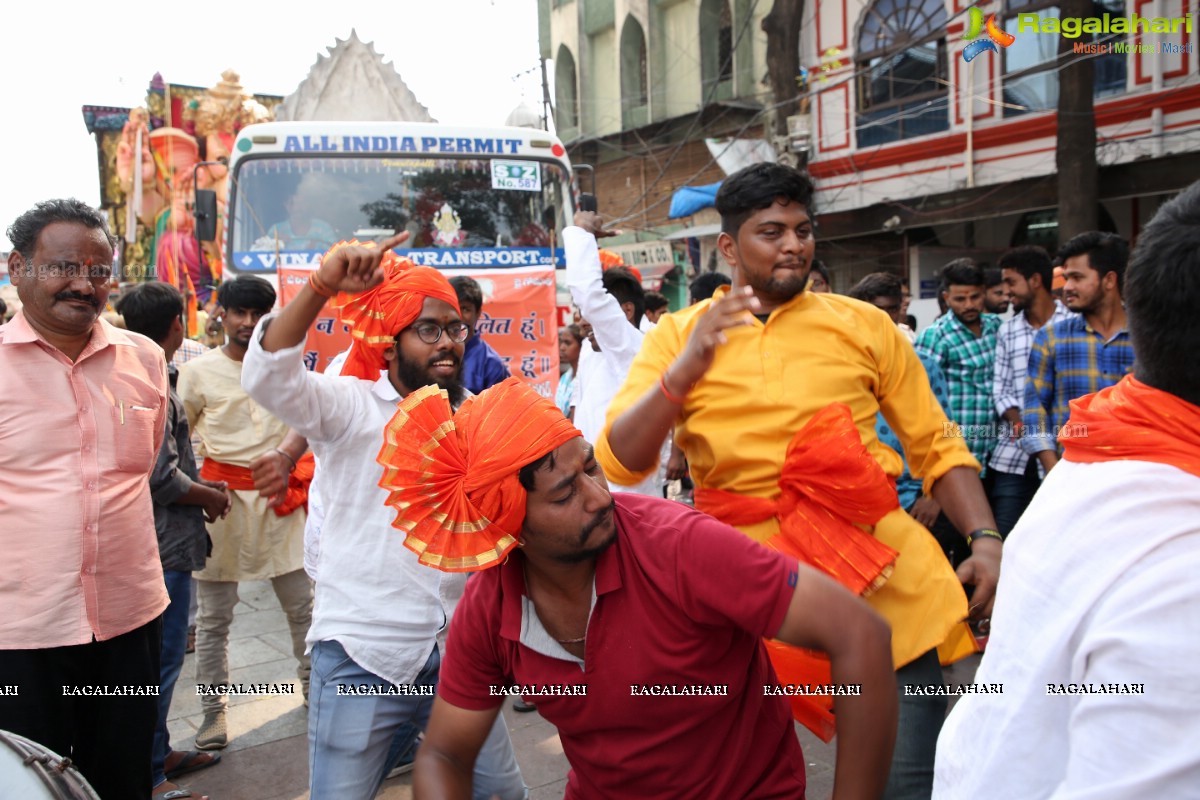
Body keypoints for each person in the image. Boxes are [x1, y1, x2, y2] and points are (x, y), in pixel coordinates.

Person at [597, 162, 1000, 799]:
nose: (793, 244)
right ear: (728, 246)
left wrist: (985, 538)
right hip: (743, 594)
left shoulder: (864, 325)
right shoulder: (678, 333)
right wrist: (685, 371)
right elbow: (622, 461)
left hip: (887, 581)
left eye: (803, 230)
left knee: (905, 783)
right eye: (771, 231)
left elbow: (936, 439)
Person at [369, 378, 899, 799]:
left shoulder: (681, 547)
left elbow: (861, 634)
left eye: (592, 468)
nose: (600, 498)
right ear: (510, 525)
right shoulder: (490, 609)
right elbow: (444, 756)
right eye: (564, 494)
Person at [933, 181, 1200, 799]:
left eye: (1074, 276)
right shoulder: (1182, 571)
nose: (1062, 286)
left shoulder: (1107, 452)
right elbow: (1019, 403)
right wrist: (1042, 458)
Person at [241, 235, 526, 800]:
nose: (447, 342)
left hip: (461, 655)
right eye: (428, 330)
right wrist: (320, 288)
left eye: (454, 328)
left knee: (503, 795)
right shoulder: (348, 407)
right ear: (389, 346)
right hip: (361, 656)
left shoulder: (478, 417)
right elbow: (268, 377)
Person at [0, 198, 169, 800]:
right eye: (64, 266)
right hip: (23, 637)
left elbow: (141, 468)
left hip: (129, 622)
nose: (84, 284)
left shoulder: (145, 359)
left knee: (124, 773)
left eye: (100, 271)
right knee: (32, 781)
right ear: (18, 268)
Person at [178, 276, 313, 751]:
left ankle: (316, 696)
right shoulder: (197, 373)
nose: (248, 324)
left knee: (305, 609)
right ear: (223, 314)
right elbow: (176, 439)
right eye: (239, 313)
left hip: (282, 503)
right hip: (222, 508)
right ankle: (213, 715)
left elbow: (309, 427)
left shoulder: (288, 367)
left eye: (258, 315)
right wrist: (191, 493)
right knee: (214, 621)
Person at [115, 282, 231, 799]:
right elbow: (161, 475)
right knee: (159, 662)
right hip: (162, 545)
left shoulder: (132, 371)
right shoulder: (149, 378)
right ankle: (150, 775)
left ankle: (157, 752)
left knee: (159, 659)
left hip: (155, 541)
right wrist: (207, 496)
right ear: (177, 326)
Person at [848, 273, 964, 568]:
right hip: (858, 505)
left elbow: (947, 432)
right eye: (873, 309)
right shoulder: (838, 367)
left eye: (889, 309)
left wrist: (932, 496)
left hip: (916, 503)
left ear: (900, 310)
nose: (882, 318)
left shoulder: (924, 365)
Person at [566, 212, 664, 498]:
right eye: (580, 314)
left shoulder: (633, 348)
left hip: (628, 494)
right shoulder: (588, 348)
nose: (582, 322)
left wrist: (582, 232)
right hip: (590, 488)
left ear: (625, 312)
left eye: (589, 315)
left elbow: (590, 295)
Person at [1022, 231, 1134, 476]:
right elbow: (1034, 411)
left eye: (1077, 277)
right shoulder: (1051, 339)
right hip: (1070, 475)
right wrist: (1055, 475)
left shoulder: (1147, 338)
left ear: (1109, 280)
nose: (1067, 287)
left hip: (1136, 476)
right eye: (1066, 277)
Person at [988, 246, 1073, 535]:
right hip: (1014, 457)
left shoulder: (1072, 325)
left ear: (1035, 280)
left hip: (1065, 455)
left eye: (1011, 282)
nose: (1006, 292)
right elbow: (1001, 390)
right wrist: (1024, 428)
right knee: (1005, 539)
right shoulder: (1007, 331)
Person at [915, 259, 1002, 473]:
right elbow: (920, 399)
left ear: (984, 292)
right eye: (960, 299)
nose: (969, 305)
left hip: (996, 451)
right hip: (956, 455)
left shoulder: (997, 328)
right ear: (946, 298)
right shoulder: (936, 336)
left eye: (975, 297)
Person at [449, 275, 511, 394]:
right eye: (453, 307)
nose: (458, 316)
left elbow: (499, 410)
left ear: (478, 313)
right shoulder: (434, 352)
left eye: (465, 309)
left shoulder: (491, 364)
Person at [557, 323, 583, 418]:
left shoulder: (585, 377)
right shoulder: (565, 378)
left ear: (581, 346)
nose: (562, 348)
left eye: (567, 343)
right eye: (561, 342)